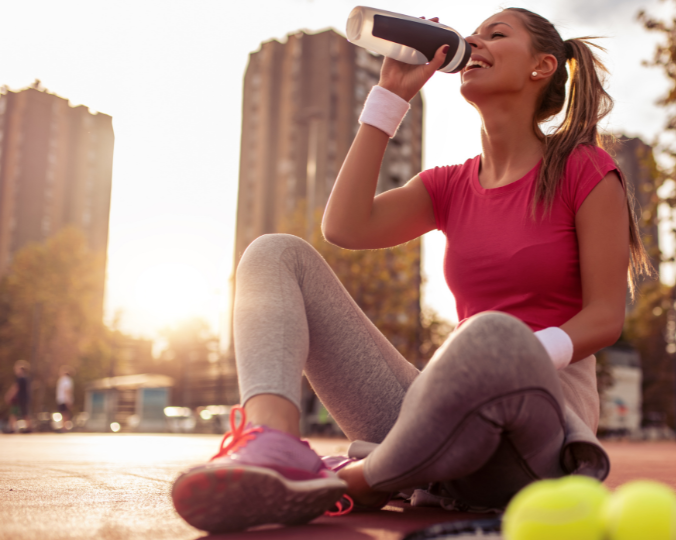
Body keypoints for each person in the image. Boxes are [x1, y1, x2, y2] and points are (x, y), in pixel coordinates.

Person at [171, 7, 650, 533]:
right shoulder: (449, 185)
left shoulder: (585, 169)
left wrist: (500, 364)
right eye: (474, 33)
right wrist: (391, 97)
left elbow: (605, 318)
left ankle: (356, 482)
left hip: (533, 437)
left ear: (542, 66)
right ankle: (277, 445)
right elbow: (345, 226)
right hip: (434, 423)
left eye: (496, 33)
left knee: (490, 334)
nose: (473, 40)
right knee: (274, 253)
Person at [6, 360, 32, 433]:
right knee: (21, 413)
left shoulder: (20, 378)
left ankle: (13, 429)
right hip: (23, 398)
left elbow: (15, 388)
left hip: (20, 398)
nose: (15, 370)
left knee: (20, 413)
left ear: (21, 369)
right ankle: (28, 428)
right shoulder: (26, 378)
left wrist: (9, 395)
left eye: (17, 369)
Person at [56, 366, 74, 431]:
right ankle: (63, 426)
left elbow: (67, 390)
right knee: (63, 413)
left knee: (65, 413)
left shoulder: (66, 380)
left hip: (64, 399)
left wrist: (68, 400)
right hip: (61, 399)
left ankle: (64, 427)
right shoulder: (62, 380)